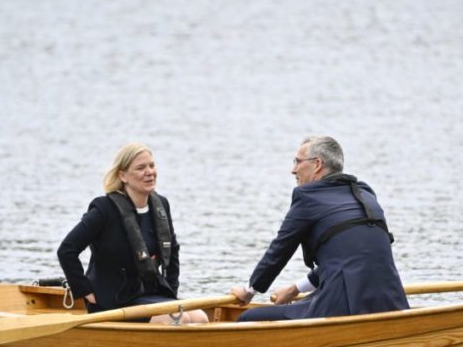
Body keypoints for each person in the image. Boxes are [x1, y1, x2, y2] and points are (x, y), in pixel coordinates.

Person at [230, 136, 409, 321]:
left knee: (248, 318)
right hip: (392, 302)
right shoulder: (364, 193)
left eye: (297, 162)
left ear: (317, 164)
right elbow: (348, 260)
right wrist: (294, 289)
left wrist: (249, 290)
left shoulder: (307, 197)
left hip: (345, 306)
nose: (293, 170)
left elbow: (280, 249)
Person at [58, 143, 208, 324]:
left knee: (200, 317)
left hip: (152, 293)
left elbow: (173, 251)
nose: (149, 172)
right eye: (140, 168)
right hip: (113, 300)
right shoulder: (103, 209)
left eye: (152, 165)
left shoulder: (161, 205)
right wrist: (83, 290)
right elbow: (67, 250)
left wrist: (171, 290)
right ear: (123, 176)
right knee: (176, 319)